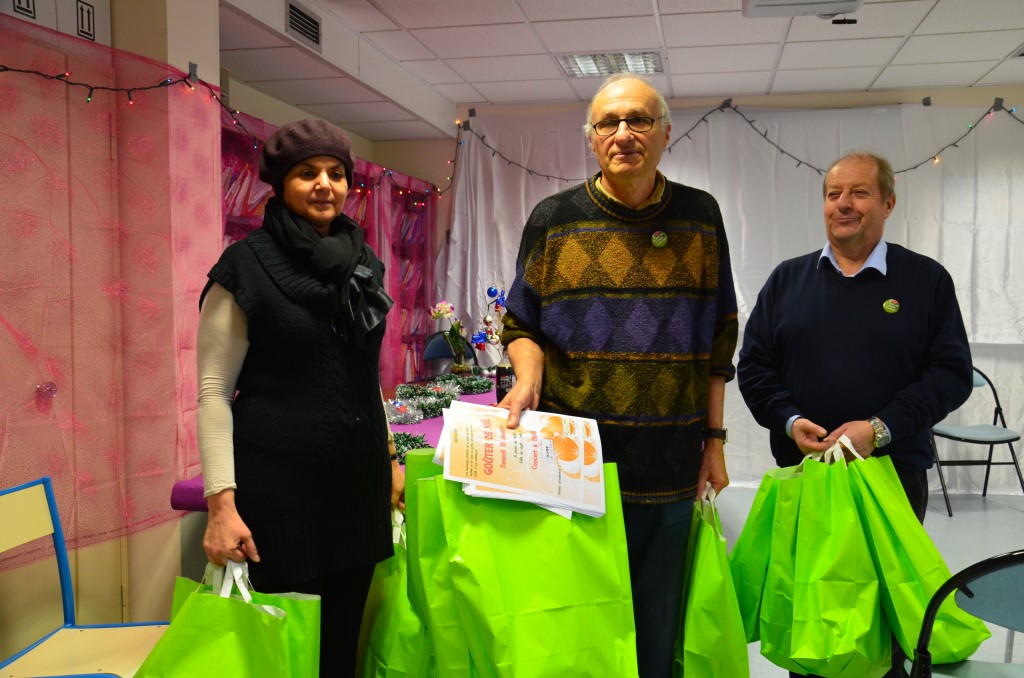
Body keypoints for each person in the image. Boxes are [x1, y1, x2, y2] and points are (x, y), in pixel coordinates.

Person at [499, 73, 739, 678]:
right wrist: (527, 379)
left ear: (664, 133)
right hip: (571, 458)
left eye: (638, 121)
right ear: (591, 138)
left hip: (670, 458)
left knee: (658, 623)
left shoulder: (699, 215)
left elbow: (718, 339)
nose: (623, 134)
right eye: (608, 123)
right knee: (579, 618)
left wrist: (715, 441)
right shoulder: (553, 218)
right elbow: (519, 324)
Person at [737, 151, 973, 678]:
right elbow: (754, 368)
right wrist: (787, 418)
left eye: (859, 193)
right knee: (813, 619)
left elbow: (951, 374)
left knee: (883, 623)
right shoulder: (787, 281)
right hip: (807, 479)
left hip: (890, 476)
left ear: (888, 202)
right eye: (833, 194)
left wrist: (880, 428)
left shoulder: (925, 281)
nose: (843, 204)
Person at [196, 119, 404, 676]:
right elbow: (214, 395)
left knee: (341, 653)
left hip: (357, 491)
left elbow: (365, 373)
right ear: (280, 184)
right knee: (284, 660)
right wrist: (221, 506)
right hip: (279, 497)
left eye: (336, 174)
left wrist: (388, 459)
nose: (324, 185)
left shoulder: (364, 266)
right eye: (306, 173)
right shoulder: (244, 267)